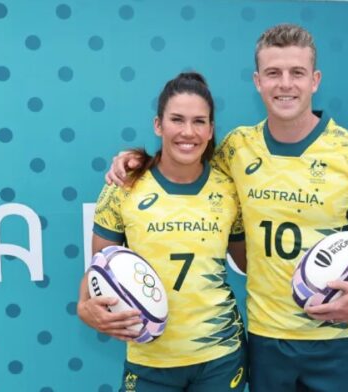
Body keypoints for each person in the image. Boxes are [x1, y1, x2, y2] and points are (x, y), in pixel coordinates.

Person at [106, 24, 348, 392]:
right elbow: (183, 156)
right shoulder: (237, 148)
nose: (285, 84)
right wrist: (135, 162)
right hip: (266, 342)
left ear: (315, 80)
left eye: (297, 73)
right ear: (257, 82)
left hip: (338, 341)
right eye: (273, 73)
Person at [78, 72, 248, 392]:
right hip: (149, 359)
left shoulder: (229, 189)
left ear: (211, 130)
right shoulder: (124, 186)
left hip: (220, 356)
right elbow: (100, 269)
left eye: (199, 122)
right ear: (159, 125)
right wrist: (83, 305)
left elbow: (253, 263)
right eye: (177, 119)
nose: (188, 132)